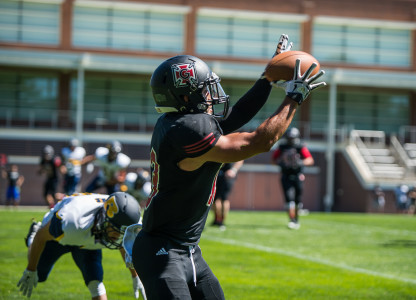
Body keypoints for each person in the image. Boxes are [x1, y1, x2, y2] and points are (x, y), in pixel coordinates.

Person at [130, 34, 326, 299]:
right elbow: (258, 143)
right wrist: (294, 98)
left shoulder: (182, 122)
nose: (212, 94)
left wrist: (268, 78)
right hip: (161, 252)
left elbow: (237, 115)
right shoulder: (186, 130)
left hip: (187, 249)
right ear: (187, 99)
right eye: (204, 89)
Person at [17, 192, 146, 300]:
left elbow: (125, 243)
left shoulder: (127, 220)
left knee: (95, 283)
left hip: (90, 239)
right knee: (39, 275)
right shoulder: (71, 221)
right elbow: (41, 236)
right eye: (115, 230)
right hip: (60, 236)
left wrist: (135, 275)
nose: (118, 236)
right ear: (103, 219)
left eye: (122, 232)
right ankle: (31, 238)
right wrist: (30, 269)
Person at [271, 127, 314, 229]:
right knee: (289, 199)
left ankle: (296, 219)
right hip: (285, 175)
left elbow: (310, 160)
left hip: (298, 176)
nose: (291, 140)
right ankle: (292, 220)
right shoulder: (282, 147)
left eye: (292, 138)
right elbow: (273, 160)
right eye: (289, 138)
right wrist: (280, 163)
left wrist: (300, 163)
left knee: (297, 200)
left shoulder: (300, 147)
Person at [212, 160, 244, 230]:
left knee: (224, 198)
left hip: (227, 174)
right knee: (214, 198)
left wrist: (233, 170)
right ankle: (216, 219)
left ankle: (222, 221)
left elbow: (241, 159)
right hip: (217, 173)